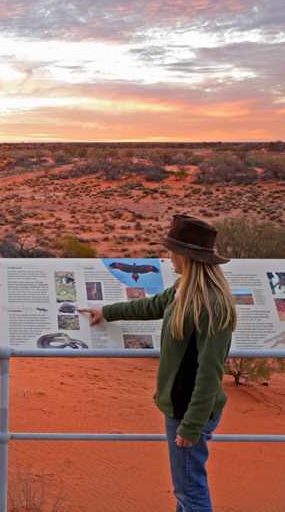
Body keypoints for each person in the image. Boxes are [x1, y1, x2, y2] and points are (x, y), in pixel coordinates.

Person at [80, 215, 236, 512]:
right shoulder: (184, 288)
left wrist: (191, 426)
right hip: (180, 405)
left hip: (189, 409)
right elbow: (151, 305)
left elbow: (210, 372)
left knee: (190, 492)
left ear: (187, 256)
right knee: (185, 490)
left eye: (172, 250)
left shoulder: (211, 303)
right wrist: (108, 311)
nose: (168, 256)